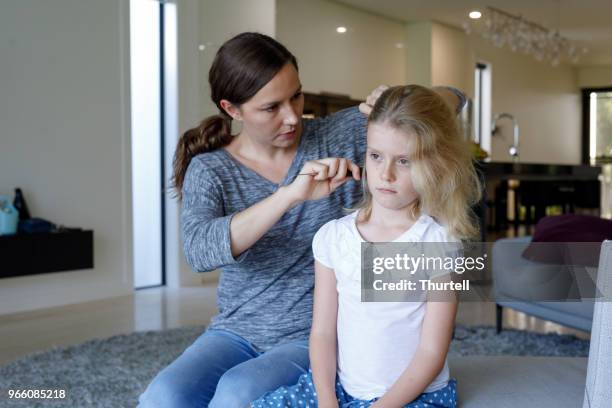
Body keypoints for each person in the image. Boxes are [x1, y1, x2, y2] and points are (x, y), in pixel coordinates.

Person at [138, 32, 466, 408]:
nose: (293, 116)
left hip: (310, 332)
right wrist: (288, 195)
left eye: (296, 95)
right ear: (232, 109)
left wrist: (398, 98)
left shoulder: (339, 134)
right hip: (234, 331)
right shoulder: (211, 169)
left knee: (236, 392)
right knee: (163, 396)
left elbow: (455, 98)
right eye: (271, 107)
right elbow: (199, 252)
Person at [251, 85, 481, 408]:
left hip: (412, 398)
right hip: (341, 391)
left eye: (404, 161)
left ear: (434, 165)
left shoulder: (438, 243)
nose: (385, 174)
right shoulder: (334, 238)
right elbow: (322, 333)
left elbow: (432, 352)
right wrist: (327, 400)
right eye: (376, 156)